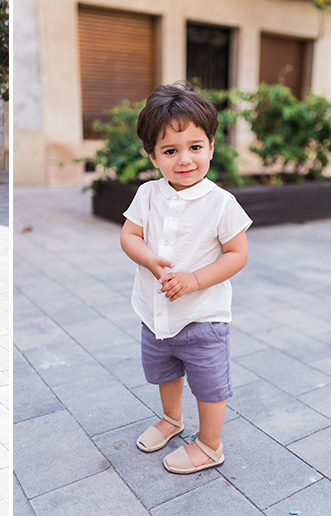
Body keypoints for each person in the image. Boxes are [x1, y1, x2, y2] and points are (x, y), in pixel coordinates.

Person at [120, 80, 252, 474]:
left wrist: (194, 280)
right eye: (170, 150)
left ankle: (210, 445)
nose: (185, 159)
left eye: (195, 147)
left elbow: (237, 254)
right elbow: (129, 235)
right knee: (165, 371)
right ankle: (172, 419)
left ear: (211, 146)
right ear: (153, 156)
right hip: (155, 312)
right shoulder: (148, 195)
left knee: (209, 384)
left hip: (204, 317)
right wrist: (150, 259)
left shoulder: (221, 203)